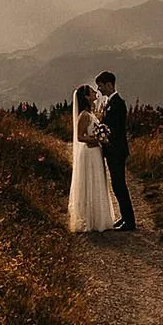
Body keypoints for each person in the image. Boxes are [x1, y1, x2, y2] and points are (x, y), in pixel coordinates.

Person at [68, 84, 116, 233]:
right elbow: (79, 137)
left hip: (95, 152)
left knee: (97, 181)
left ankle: (98, 218)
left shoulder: (91, 114)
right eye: (92, 92)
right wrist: (96, 139)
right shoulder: (84, 115)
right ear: (87, 97)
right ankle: (89, 220)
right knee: (90, 181)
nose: (96, 93)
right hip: (89, 153)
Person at [95, 70, 136, 231]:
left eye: (101, 86)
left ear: (109, 84)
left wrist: (105, 138)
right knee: (117, 185)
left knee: (120, 185)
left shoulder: (118, 103)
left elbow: (116, 130)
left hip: (117, 151)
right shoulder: (110, 103)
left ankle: (129, 221)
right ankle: (124, 217)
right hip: (113, 151)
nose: (99, 90)